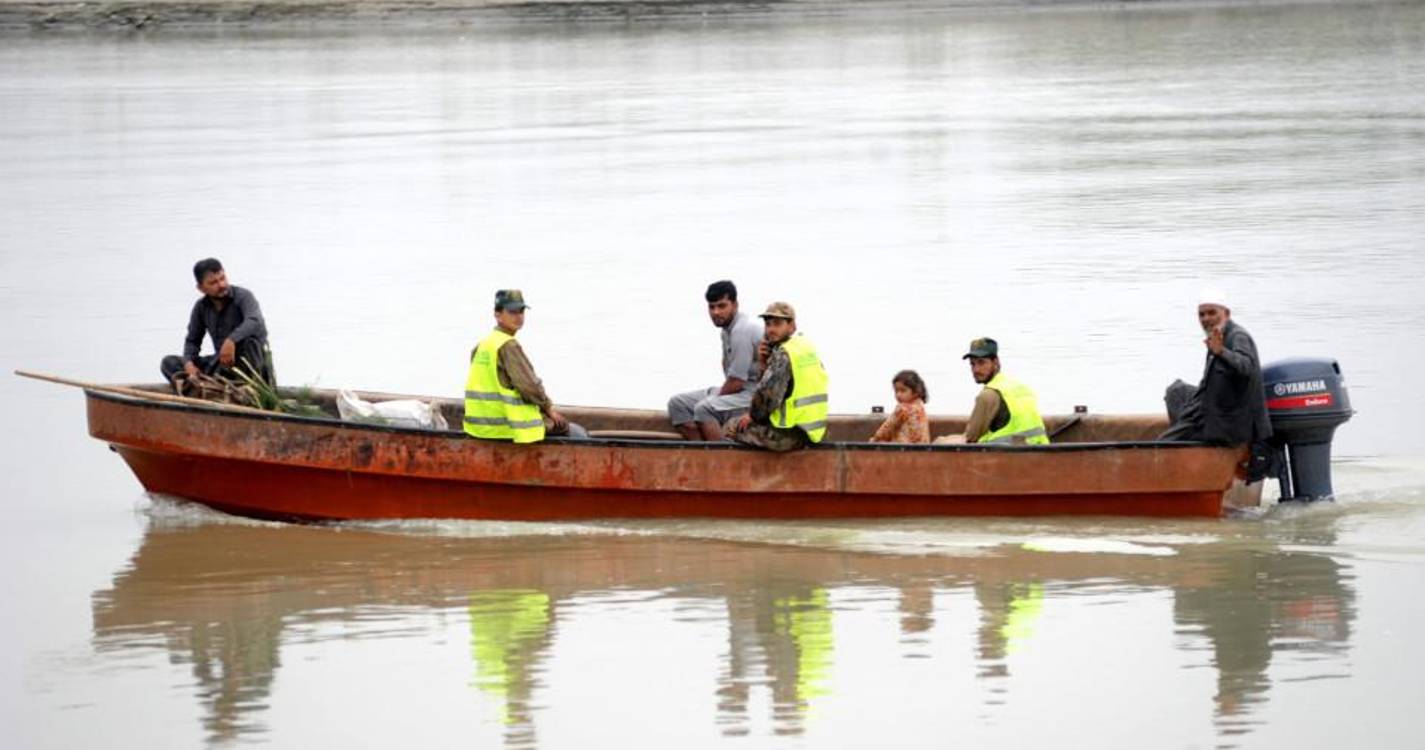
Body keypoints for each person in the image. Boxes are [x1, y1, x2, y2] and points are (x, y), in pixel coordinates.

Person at [464, 290, 583, 443]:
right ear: (497, 314)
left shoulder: (483, 345)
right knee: (570, 430)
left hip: (479, 427)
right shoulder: (508, 345)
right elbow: (529, 386)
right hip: (507, 426)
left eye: (521, 311)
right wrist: (548, 409)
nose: (519, 316)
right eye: (512, 312)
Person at [1160, 289, 1272, 446]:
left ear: (1226, 313)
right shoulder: (1216, 336)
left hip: (1229, 421)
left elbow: (1246, 367)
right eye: (1202, 314)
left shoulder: (1238, 336)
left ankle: (1189, 439)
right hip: (1210, 405)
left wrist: (1221, 352)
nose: (1206, 318)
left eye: (1212, 313)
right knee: (1176, 391)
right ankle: (1187, 432)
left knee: (1163, 444)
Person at [667, 280, 764, 441]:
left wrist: (713, 400)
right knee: (678, 404)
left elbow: (736, 382)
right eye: (712, 307)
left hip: (753, 395)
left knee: (704, 409)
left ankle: (723, 459)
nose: (716, 312)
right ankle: (701, 454)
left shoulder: (742, 331)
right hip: (739, 391)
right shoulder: (727, 331)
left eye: (722, 306)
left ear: (735, 305)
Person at [726, 302, 829, 452]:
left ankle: (746, 475)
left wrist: (752, 416)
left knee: (732, 426)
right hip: (814, 432)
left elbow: (764, 402)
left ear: (792, 326)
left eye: (777, 324)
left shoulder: (783, 355)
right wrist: (764, 362)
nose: (771, 330)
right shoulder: (806, 348)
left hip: (789, 435)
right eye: (768, 324)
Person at [160, 258, 274, 386]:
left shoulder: (244, 296)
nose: (221, 285)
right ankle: (197, 387)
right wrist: (189, 363)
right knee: (168, 362)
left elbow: (254, 320)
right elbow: (192, 341)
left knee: (250, 344)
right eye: (213, 282)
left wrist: (231, 340)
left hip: (248, 366)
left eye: (222, 278)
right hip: (221, 364)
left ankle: (219, 386)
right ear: (201, 288)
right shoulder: (201, 307)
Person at [954, 337, 1049, 445]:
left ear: (996, 362)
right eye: (972, 364)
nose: (976, 370)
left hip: (1008, 457)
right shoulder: (1021, 387)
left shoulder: (987, 395)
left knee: (943, 441)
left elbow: (970, 438)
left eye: (981, 363)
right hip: (1041, 451)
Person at [869, 370, 931, 444]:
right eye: (896, 391)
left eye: (903, 390)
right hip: (921, 447)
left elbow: (887, 428)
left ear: (916, 392)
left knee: (881, 443)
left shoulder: (902, 409)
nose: (898, 395)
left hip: (904, 448)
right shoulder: (920, 405)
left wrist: (875, 439)